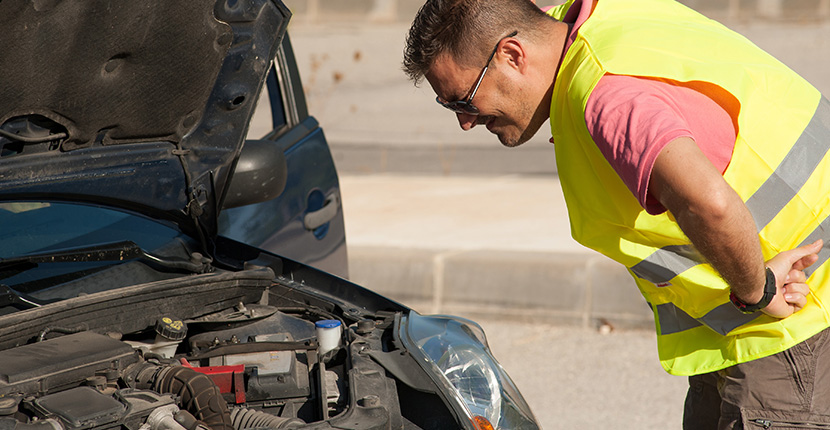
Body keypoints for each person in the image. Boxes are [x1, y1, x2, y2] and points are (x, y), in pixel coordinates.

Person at [403, 0, 830, 428]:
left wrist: (757, 290)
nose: (463, 122)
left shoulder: (608, 99)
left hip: (792, 320)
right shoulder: (595, 19)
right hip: (761, 326)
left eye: (465, 101)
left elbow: (709, 204)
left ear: (513, 56)